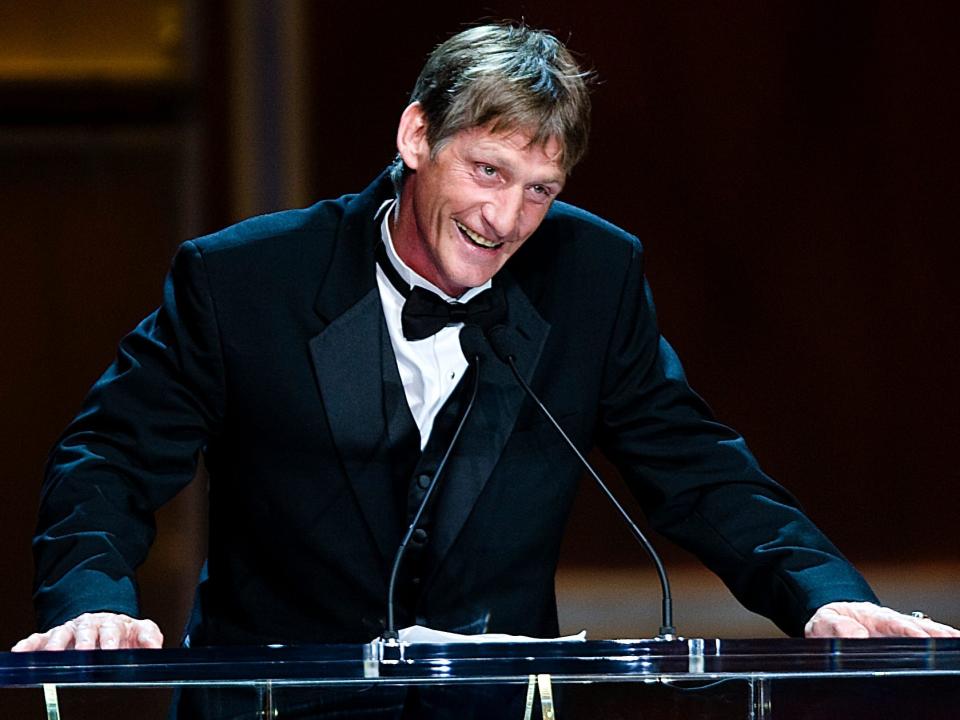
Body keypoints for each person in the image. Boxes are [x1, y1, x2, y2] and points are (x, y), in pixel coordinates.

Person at [14, 22, 958, 660]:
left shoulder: (592, 277)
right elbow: (108, 457)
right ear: (417, 135)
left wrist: (819, 593)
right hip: (278, 706)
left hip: (498, 709)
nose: (507, 218)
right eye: (487, 169)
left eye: (541, 189)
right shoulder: (243, 280)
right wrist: (92, 599)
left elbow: (698, 467)